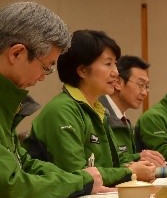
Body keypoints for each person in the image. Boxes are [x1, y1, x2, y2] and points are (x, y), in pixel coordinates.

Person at [0, 2, 112, 198]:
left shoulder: (6, 104)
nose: (43, 77)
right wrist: (80, 181)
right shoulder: (62, 109)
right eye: (46, 67)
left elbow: (23, 163)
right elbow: (10, 186)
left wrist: (77, 179)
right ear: (16, 53)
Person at [25, 30, 156, 184]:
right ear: (82, 70)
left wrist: (137, 164)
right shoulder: (62, 110)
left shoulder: (98, 109)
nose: (115, 72)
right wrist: (130, 172)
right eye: (108, 64)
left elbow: (110, 166)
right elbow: (77, 175)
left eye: (115, 64)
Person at [99, 55, 166, 167]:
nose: (144, 92)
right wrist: (139, 157)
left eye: (146, 86)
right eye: (140, 85)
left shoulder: (124, 120)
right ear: (118, 83)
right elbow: (103, 164)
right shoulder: (99, 114)